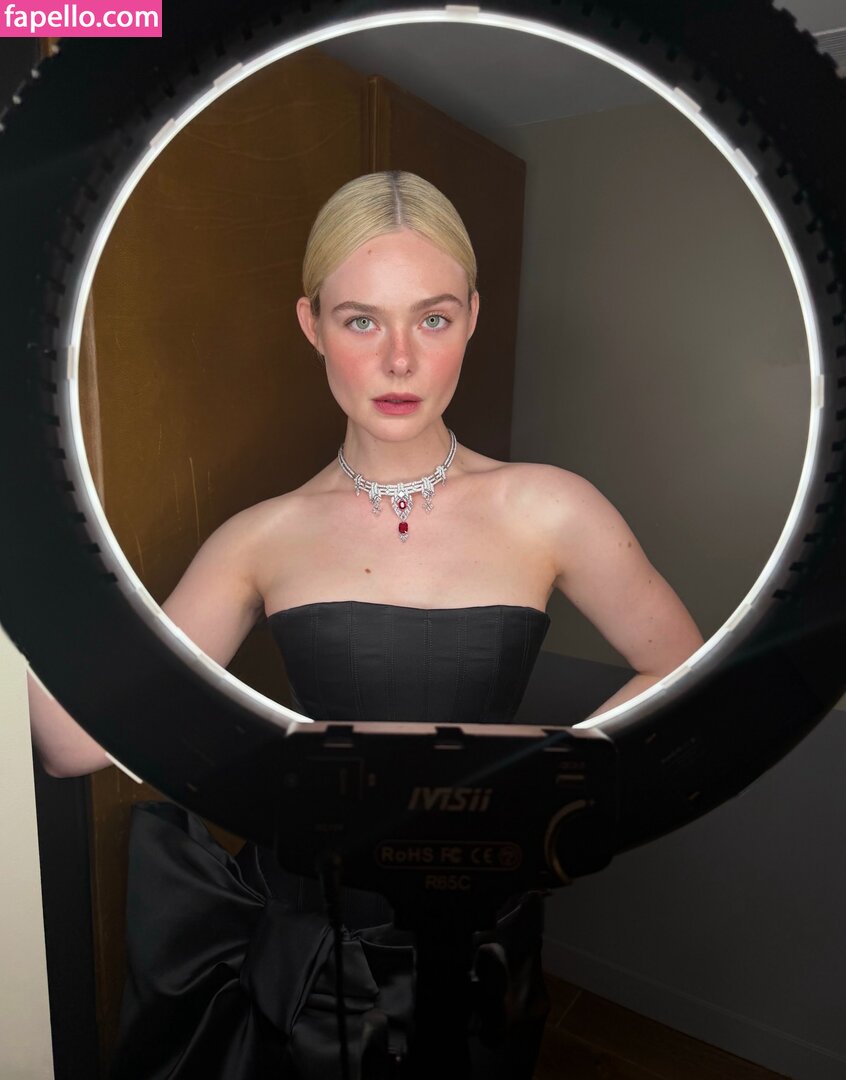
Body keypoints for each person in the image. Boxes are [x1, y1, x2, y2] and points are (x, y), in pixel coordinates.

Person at [29, 170, 703, 1078]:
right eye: (360, 321)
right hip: (311, 959)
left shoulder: (552, 507)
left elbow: (680, 666)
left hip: (478, 947)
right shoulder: (260, 538)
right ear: (311, 325)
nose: (399, 361)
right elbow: (68, 743)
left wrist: (534, 792)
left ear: (472, 317)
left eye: (432, 318)